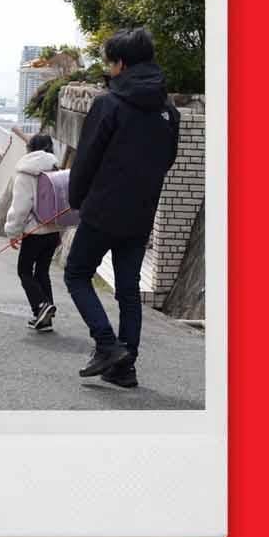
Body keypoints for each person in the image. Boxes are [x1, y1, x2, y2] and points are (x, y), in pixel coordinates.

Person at [64, 28, 180, 387]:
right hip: (141, 213)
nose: (109, 70)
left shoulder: (108, 104)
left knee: (77, 274)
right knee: (128, 289)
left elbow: (86, 159)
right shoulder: (168, 111)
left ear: (122, 64)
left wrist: (77, 199)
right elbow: (167, 160)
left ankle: (106, 345)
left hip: (103, 210)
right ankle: (125, 367)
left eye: (110, 63)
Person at [4, 134, 62, 332]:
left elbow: (20, 207)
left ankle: (41, 305)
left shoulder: (26, 172)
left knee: (24, 271)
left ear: (30, 148)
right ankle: (44, 317)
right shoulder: (55, 168)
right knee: (42, 271)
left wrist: (13, 232)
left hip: (34, 231)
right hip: (53, 230)